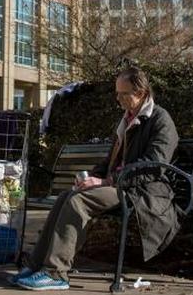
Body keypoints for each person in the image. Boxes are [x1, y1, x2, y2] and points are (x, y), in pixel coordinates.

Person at [12, 66, 180, 291]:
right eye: (116, 93)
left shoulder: (160, 119)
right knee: (66, 196)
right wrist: (92, 177)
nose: (117, 99)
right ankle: (36, 266)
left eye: (123, 94)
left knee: (77, 202)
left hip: (142, 192)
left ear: (140, 93)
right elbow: (110, 161)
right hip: (120, 185)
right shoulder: (127, 120)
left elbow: (152, 168)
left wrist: (105, 182)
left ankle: (56, 273)